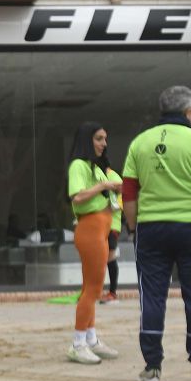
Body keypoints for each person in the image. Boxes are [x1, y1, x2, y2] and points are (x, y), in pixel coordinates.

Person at [123, 86, 191, 381]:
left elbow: (129, 193)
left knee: (152, 295)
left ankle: (152, 367)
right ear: (189, 112)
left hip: (151, 228)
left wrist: (133, 228)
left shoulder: (140, 143)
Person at [65, 122, 122, 365]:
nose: (103, 143)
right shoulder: (79, 165)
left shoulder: (96, 167)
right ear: (88, 140)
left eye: (105, 138)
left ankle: (90, 338)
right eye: (99, 138)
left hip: (101, 228)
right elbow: (77, 197)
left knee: (94, 287)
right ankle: (78, 343)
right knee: (92, 289)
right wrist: (104, 186)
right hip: (90, 229)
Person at [100, 158, 123, 304]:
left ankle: (112, 293)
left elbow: (124, 194)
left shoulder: (112, 175)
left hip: (112, 224)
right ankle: (96, 291)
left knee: (110, 256)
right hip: (100, 223)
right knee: (99, 258)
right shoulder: (97, 176)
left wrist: (113, 206)